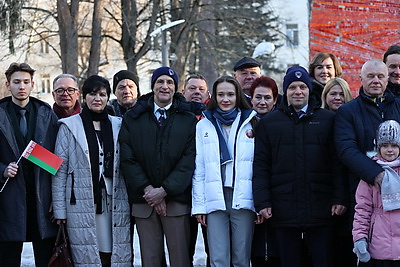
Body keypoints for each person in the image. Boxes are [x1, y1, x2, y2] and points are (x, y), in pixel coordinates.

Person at [253, 66, 347, 267]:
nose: (298, 91)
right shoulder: (269, 123)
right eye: (293, 87)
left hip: (322, 208)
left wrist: (340, 197)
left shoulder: (328, 120)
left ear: (309, 90)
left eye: (303, 87)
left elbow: (337, 164)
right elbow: (261, 165)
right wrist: (262, 201)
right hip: (283, 208)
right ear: (285, 91)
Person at [119, 66, 197, 267]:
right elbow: (128, 158)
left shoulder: (187, 119)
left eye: (170, 82)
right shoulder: (133, 118)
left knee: (180, 259)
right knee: (151, 259)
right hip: (144, 200)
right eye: (160, 82)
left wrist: (164, 191)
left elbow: (188, 160)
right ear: (152, 86)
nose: (165, 86)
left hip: (176, 200)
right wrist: (149, 190)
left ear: (175, 88)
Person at [52, 75, 131, 266]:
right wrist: (60, 211)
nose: (98, 98)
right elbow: (59, 171)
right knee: (87, 253)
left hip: (115, 201)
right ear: (84, 97)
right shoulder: (69, 126)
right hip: (80, 202)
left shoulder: (118, 124)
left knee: (114, 251)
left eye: (103, 94)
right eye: (92, 94)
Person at [192, 75, 259, 267]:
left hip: (243, 197)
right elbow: (199, 168)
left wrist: (260, 202)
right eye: (221, 94)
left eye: (230, 94)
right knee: (218, 258)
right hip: (215, 197)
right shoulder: (204, 124)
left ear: (238, 96)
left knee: (241, 259)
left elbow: (257, 165)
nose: (225, 99)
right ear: (214, 96)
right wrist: (199, 206)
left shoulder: (251, 122)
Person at [0, 62, 58, 266]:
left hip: (41, 197)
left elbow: (57, 156)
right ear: (8, 85)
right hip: (9, 199)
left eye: (26, 82)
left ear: (33, 84)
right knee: (8, 258)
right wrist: (2, 169)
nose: (21, 86)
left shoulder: (46, 113)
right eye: (16, 82)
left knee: (46, 258)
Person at [353, 120, 400, 266]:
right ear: (378, 147)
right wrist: (360, 238)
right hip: (379, 246)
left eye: (394, 145)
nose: (389, 150)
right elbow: (362, 209)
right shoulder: (371, 173)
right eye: (385, 145)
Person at [248, 75, 280, 267]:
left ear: (275, 100)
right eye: (258, 97)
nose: (262, 102)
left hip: (277, 194)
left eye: (267, 98)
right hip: (251, 193)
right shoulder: (244, 124)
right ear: (251, 98)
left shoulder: (281, 123)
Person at [182, 73, 211, 267]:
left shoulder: (214, 116)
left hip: (209, 193)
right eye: (192, 88)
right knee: (185, 249)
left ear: (208, 93)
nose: (196, 93)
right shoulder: (174, 117)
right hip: (182, 194)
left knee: (214, 247)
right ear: (183, 92)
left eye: (201, 89)